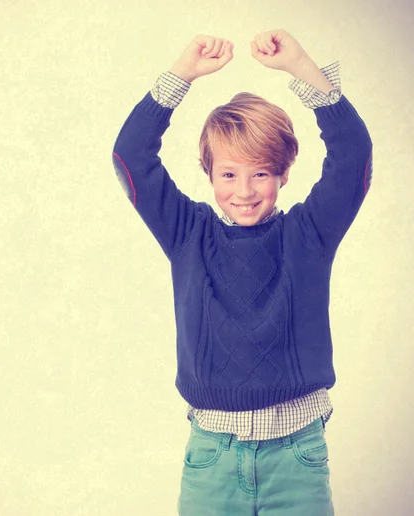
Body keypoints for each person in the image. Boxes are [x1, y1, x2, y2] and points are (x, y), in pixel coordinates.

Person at [111, 29, 373, 515]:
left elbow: (353, 156)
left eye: (260, 174)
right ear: (209, 174)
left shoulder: (308, 234)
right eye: (229, 174)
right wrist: (181, 75)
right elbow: (130, 156)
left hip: (297, 455)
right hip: (213, 455)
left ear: (282, 174)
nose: (245, 191)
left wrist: (302, 67)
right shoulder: (188, 232)